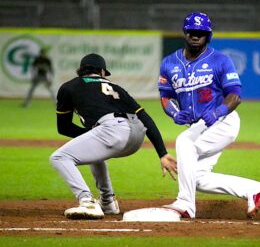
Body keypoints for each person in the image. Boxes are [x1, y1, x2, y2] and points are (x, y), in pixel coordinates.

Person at [158, 12, 260, 219]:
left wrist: (218, 111)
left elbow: (235, 96)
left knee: (184, 143)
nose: (195, 36)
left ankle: (185, 203)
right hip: (198, 126)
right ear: (185, 33)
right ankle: (253, 190)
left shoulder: (220, 60)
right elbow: (165, 96)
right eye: (192, 31)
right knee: (195, 177)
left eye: (200, 32)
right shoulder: (169, 63)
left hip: (223, 121)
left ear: (208, 35)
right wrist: (174, 113)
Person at [50, 53, 177, 219]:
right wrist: (162, 153)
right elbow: (144, 117)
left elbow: (63, 127)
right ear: (102, 72)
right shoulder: (116, 88)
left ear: (81, 71)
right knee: (94, 152)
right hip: (137, 134)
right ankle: (107, 201)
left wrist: (93, 134)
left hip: (112, 130)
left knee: (59, 157)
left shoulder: (69, 87)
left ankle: (87, 201)